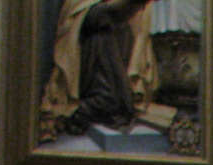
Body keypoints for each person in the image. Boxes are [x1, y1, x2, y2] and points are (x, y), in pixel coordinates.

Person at [38, 0, 159, 141]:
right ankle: (84, 110)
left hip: (117, 57)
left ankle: (105, 103)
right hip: (91, 57)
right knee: (102, 35)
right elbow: (92, 16)